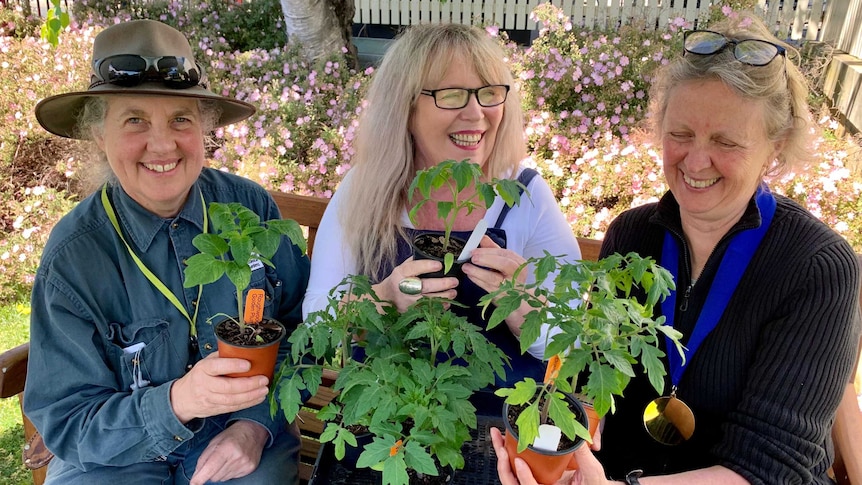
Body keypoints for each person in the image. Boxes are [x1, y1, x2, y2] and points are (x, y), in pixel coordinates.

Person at [492, 11, 861, 485]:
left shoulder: (817, 268)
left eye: (726, 141)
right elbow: (596, 377)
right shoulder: (631, 236)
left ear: (776, 145)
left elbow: (771, 466)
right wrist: (561, 456)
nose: (696, 160)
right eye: (680, 134)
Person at [25, 20, 309, 485]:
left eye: (181, 118)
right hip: (115, 456)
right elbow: (67, 419)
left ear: (204, 128)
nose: (163, 144)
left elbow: (302, 331)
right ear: (99, 135)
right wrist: (179, 401)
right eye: (134, 120)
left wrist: (255, 427)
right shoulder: (75, 257)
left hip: (239, 432)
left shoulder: (249, 211)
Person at [303, 23, 581, 387]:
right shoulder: (366, 188)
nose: (477, 113)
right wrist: (384, 299)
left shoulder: (523, 195)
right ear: (405, 107)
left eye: (489, 93)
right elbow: (317, 324)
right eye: (452, 95)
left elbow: (568, 341)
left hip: (496, 430)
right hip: (388, 425)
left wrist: (519, 303)